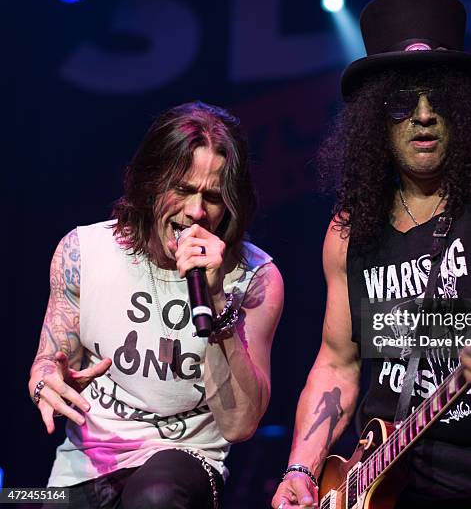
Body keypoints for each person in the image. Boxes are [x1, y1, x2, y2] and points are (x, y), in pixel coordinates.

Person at [272, 0, 471, 509]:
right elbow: (338, 362)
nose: (422, 115)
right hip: (383, 484)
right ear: (375, 117)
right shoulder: (349, 228)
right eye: (401, 101)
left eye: (438, 98)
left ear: (462, 108)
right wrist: (301, 470)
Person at [28, 101, 284, 508]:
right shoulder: (84, 252)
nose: (196, 212)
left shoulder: (256, 279)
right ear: (150, 183)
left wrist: (217, 299)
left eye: (213, 197)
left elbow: (239, 425)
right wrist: (47, 377)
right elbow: (49, 360)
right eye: (182, 190)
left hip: (184, 461)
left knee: (155, 498)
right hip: (85, 465)